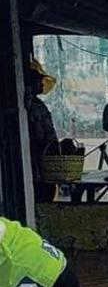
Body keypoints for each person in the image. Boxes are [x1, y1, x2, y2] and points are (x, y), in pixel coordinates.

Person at [25, 60, 59, 202]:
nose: (41, 84)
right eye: (38, 80)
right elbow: (39, 132)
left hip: (42, 154)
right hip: (37, 154)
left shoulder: (36, 104)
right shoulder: (31, 105)